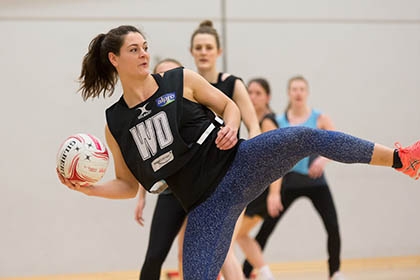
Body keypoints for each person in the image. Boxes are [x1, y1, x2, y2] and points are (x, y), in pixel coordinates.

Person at [57, 24, 420, 280]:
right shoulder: (116, 123)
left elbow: (228, 105)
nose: (144, 54)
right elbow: (124, 183)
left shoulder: (178, 80)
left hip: (239, 162)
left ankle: (403, 159)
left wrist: (231, 126)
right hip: (204, 206)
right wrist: (89, 188)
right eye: (134, 49)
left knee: (305, 136)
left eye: (145, 47)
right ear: (114, 59)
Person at [135, 20, 261, 280]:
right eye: (198, 47)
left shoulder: (231, 85)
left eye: (208, 47)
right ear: (191, 52)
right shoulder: (179, 87)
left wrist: (253, 169)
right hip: (186, 185)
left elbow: (254, 127)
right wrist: (141, 192)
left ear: (219, 51)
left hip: (224, 179)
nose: (203, 52)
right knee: (183, 253)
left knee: (221, 249)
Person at [241, 76, 346, 280]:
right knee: (266, 229)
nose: (298, 92)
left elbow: (339, 143)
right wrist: (274, 192)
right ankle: (246, 272)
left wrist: (322, 161)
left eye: (301, 89)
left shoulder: (319, 118)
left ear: (307, 93)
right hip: (288, 183)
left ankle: (335, 272)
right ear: (289, 93)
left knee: (332, 225)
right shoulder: (278, 121)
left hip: (316, 182)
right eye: (294, 89)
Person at [235, 78, 280, 280]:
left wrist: (274, 193)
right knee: (240, 235)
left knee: (233, 234)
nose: (252, 97)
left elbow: (277, 161)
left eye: (258, 93)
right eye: (249, 92)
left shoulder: (267, 122)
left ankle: (256, 274)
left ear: (267, 97)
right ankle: (264, 273)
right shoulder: (252, 120)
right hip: (256, 189)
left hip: (263, 191)